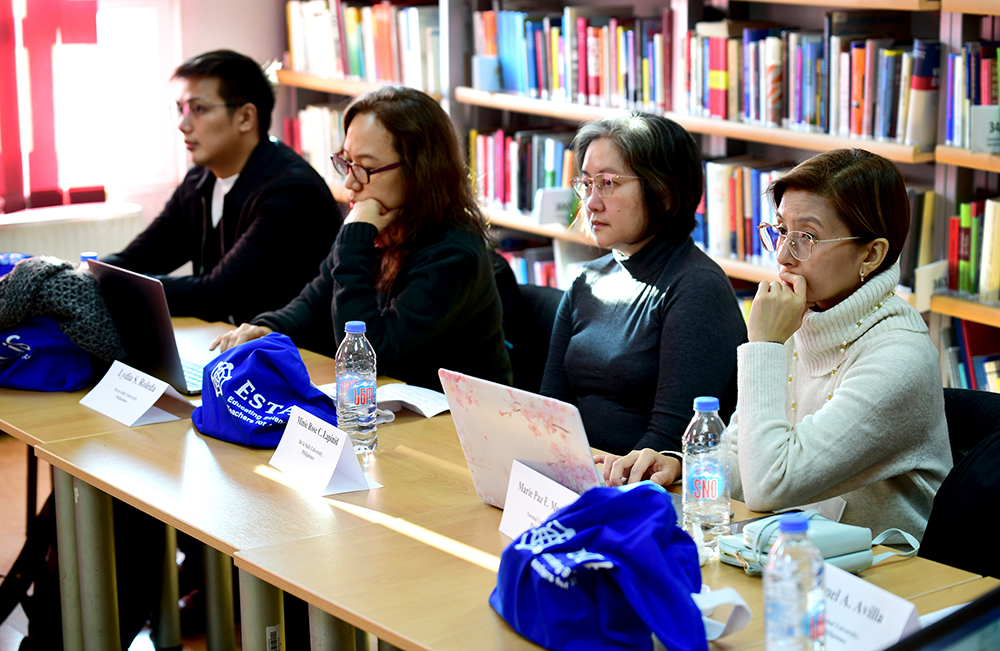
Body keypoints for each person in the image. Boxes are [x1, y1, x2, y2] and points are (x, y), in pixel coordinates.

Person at [601, 149, 952, 539]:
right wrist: (683, 467)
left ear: (871, 254)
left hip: (887, 569)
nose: (783, 255)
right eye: (782, 231)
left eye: (807, 237)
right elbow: (744, 458)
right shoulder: (803, 314)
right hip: (798, 545)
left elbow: (768, 484)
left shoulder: (899, 358)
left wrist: (765, 344)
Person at [211, 86, 512, 390]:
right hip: (391, 407)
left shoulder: (454, 254)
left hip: (452, 416)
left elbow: (369, 359)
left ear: (419, 171)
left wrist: (353, 242)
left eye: (366, 168)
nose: (350, 183)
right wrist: (268, 329)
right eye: (346, 162)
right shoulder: (378, 227)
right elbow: (312, 304)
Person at [540, 112, 747, 482]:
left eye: (607, 183)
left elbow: (668, 444)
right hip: (577, 476)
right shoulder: (587, 280)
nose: (591, 203)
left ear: (664, 194)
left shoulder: (697, 289)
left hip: (640, 491)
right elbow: (549, 411)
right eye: (586, 183)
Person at [102, 49, 339, 325]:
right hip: (227, 340)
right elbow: (140, 258)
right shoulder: (199, 180)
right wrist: (91, 273)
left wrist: (115, 286)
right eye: (180, 109)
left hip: (291, 348)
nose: (182, 124)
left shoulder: (292, 191)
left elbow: (216, 294)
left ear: (246, 118)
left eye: (198, 109)